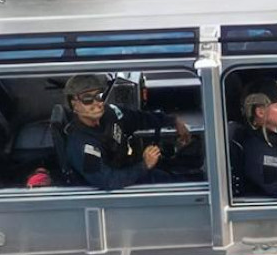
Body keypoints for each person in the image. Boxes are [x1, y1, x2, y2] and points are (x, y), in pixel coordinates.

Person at [63, 74, 191, 190]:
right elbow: (108, 181)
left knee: (182, 172)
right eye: (87, 99)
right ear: (74, 104)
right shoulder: (82, 145)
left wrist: (171, 120)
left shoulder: (110, 113)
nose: (97, 104)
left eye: (99, 96)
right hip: (122, 190)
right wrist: (144, 165)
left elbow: (138, 118)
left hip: (131, 170)